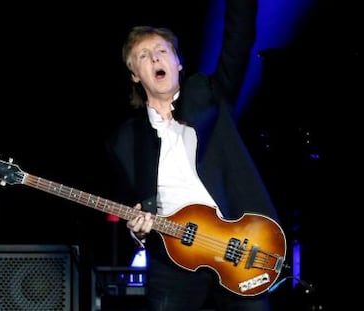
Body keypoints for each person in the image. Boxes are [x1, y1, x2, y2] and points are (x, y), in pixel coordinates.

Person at [104, 0, 282, 310]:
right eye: (143, 56)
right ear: (135, 74)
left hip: (234, 246)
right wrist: (136, 224)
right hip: (173, 256)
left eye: (162, 51)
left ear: (177, 63)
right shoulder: (125, 140)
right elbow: (131, 202)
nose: (155, 58)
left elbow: (237, 41)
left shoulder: (208, 96)